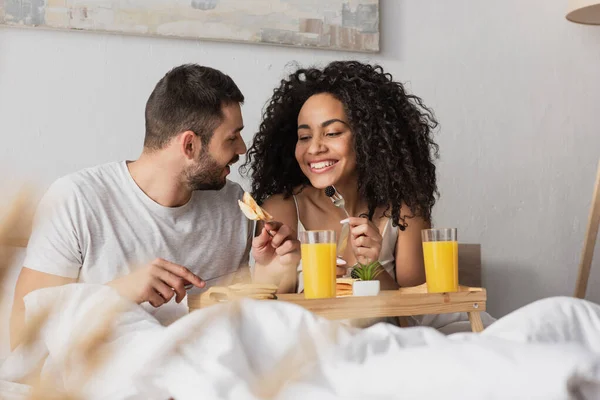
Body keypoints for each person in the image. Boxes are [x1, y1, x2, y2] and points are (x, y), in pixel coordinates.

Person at [10, 64, 300, 349]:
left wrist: (269, 274)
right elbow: (23, 336)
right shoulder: (76, 199)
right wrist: (123, 292)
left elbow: (241, 325)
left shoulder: (231, 204)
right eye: (232, 137)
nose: (242, 150)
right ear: (189, 145)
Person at [243, 60, 439, 294]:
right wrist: (272, 271)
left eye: (332, 133)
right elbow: (268, 320)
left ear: (368, 137)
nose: (314, 148)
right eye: (304, 137)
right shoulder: (282, 212)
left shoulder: (405, 214)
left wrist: (372, 269)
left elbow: (414, 319)